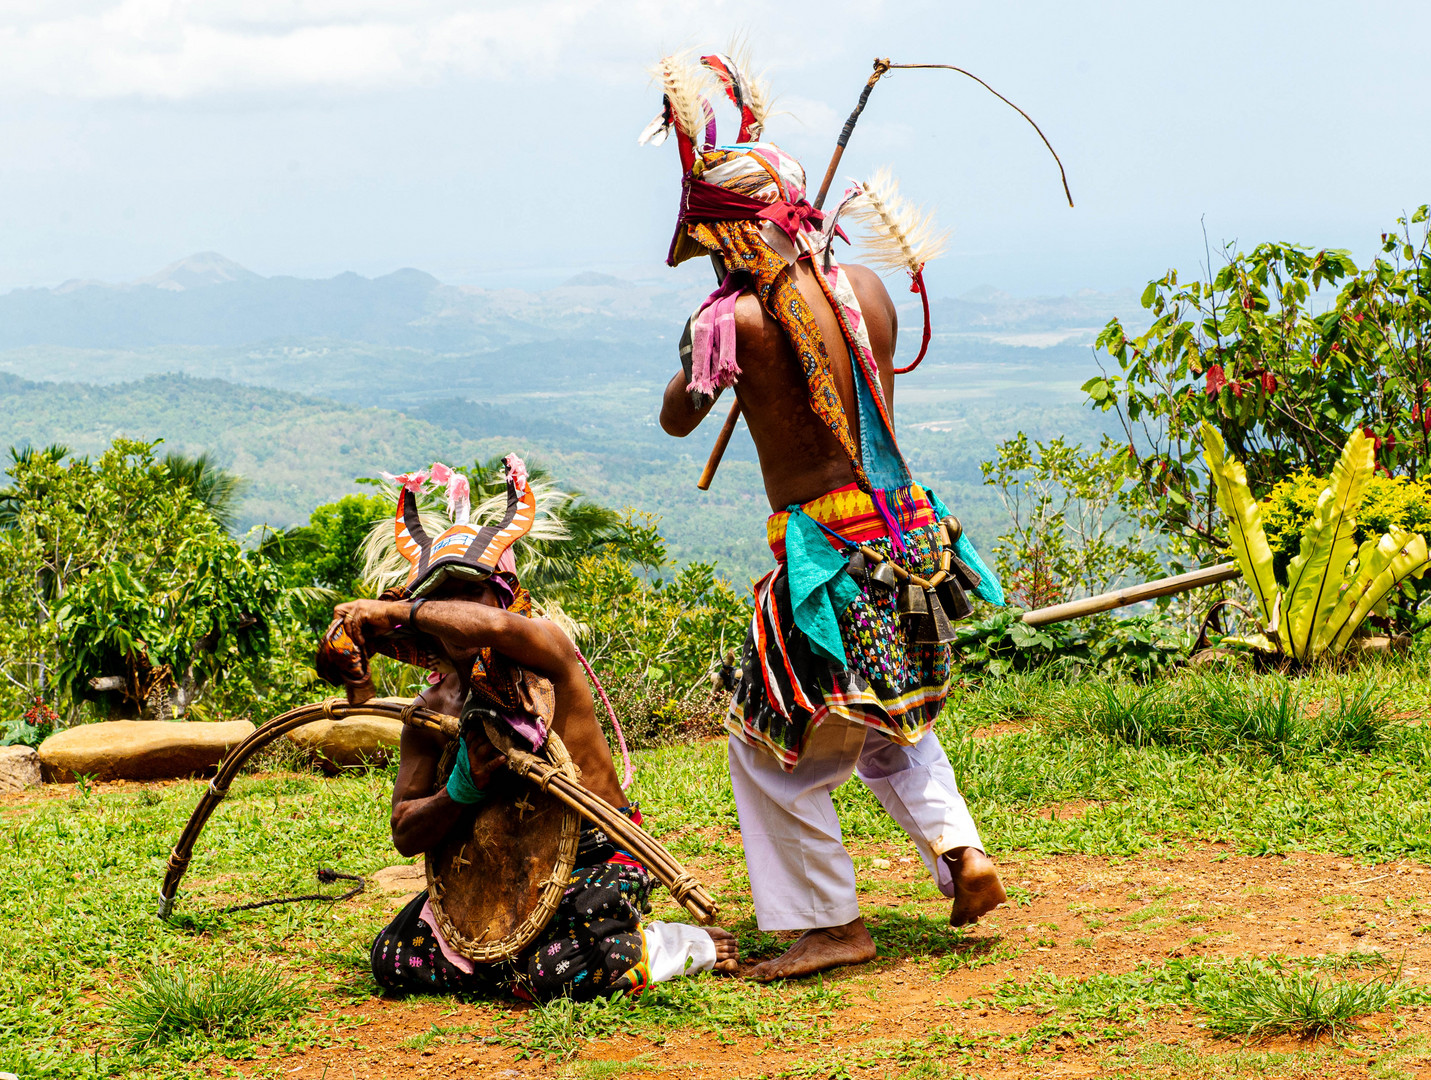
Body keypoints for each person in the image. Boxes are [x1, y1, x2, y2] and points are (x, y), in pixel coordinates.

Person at [646, 53, 1009, 981]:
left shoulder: (734, 325)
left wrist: (706, 343)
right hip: (908, 536)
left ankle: (829, 924)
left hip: (828, 558)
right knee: (887, 718)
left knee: (773, 747)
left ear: (731, 237)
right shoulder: (871, 295)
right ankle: (961, 852)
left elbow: (676, 417)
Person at [321, 457, 739, 999]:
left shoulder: (547, 653)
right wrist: (459, 794)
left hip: (596, 852)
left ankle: (678, 944)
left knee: (564, 968)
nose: (455, 609)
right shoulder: (431, 710)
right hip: (496, 866)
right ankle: (527, 958)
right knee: (394, 958)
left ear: (504, 594)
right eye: (440, 596)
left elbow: (494, 628)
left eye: (467, 594)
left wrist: (406, 611)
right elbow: (405, 832)